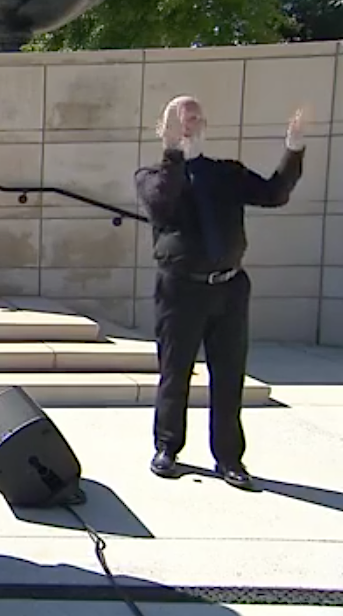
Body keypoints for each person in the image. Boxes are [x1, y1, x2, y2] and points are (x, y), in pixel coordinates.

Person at [135, 95, 307, 490]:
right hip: (180, 290)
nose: (190, 124)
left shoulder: (226, 173)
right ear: (163, 129)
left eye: (195, 117)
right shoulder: (152, 176)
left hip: (229, 287)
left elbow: (274, 194)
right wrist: (175, 153)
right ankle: (167, 448)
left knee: (229, 376)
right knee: (175, 372)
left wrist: (293, 148)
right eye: (180, 119)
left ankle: (229, 458)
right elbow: (162, 204)